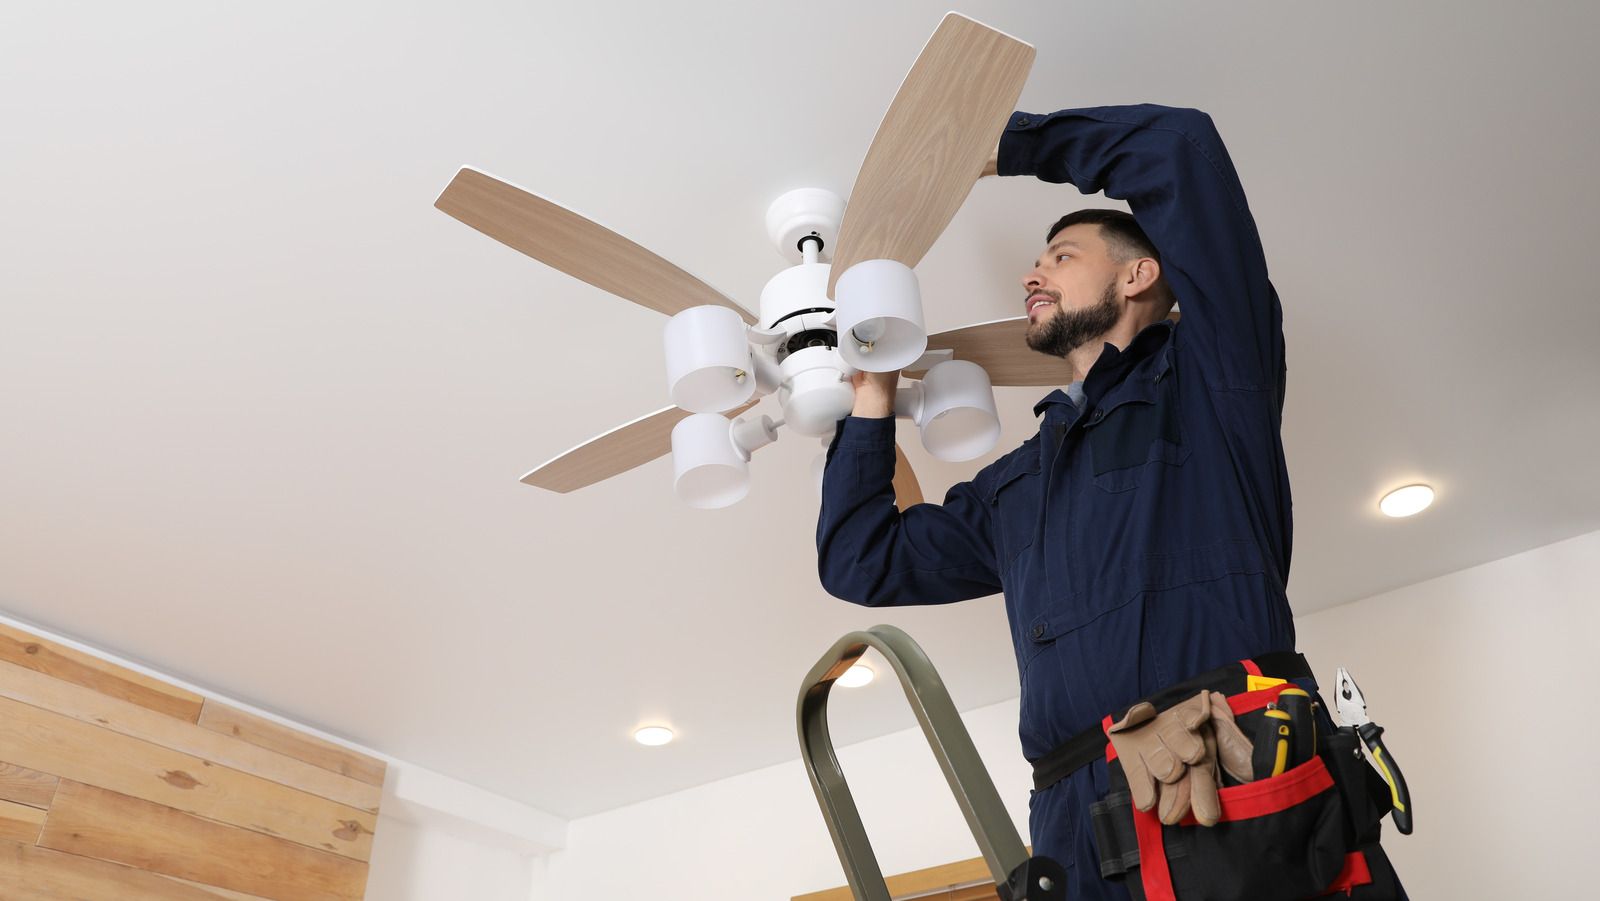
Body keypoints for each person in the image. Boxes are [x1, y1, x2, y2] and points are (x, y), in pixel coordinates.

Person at [816, 105, 1402, 899]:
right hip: (1074, 826)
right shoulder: (1016, 486)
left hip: (1229, 779)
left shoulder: (1212, 384)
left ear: (1138, 276)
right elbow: (862, 556)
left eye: (1060, 254)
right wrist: (870, 389)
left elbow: (1178, 148)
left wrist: (991, 145)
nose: (1032, 274)